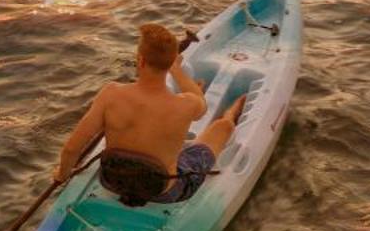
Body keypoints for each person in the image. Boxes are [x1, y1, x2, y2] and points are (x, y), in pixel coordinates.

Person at [51, 22, 247, 207]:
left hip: (112, 182)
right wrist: (177, 70)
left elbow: (71, 148)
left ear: (141, 60)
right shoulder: (187, 104)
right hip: (164, 192)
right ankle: (231, 114)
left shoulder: (110, 93)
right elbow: (202, 105)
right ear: (171, 61)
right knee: (223, 128)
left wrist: (62, 174)